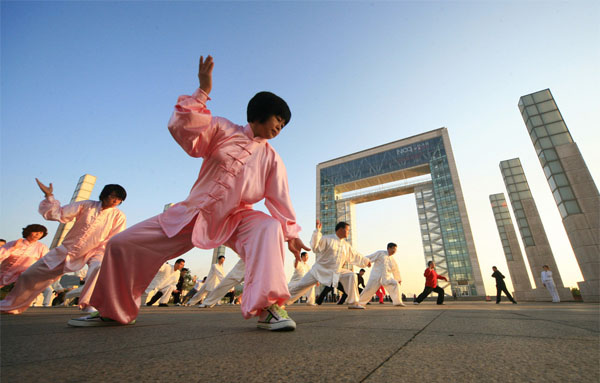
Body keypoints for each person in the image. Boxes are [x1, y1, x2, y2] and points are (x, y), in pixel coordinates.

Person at [70, 55, 309, 331]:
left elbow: (279, 198)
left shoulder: (273, 158)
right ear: (259, 113)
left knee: (268, 227)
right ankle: (113, 310)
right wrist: (203, 91)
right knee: (121, 244)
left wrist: (290, 235)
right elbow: (183, 129)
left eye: (284, 124)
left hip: (237, 219)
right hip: (192, 212)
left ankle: (268, 309)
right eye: (278, 119)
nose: (280, 127)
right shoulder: (222, 128)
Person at [0, 181, 126, 314]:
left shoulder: (119, 216)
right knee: (28, 275)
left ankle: (90, 304)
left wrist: (106, 254)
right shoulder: (86, 205)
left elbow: (114, 238)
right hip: (67, 249)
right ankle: (10, 305)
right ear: (105, 195)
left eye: (119, 199)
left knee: (98, 267)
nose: (115, 200)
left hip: (95, 250)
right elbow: (59, 213)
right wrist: (49, 196)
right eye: (113, 196)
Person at [288, 220, 371, 309]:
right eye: (347, 230)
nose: (348, 232)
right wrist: (317, 232)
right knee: (300, 286)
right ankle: (279, 302)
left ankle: (353, 302)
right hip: (319, 270)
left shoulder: (346, 245)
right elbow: (315, 247)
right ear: (340, 229)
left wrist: (366, 261)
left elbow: (355, 255)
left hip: (336, 271)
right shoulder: (327, 239)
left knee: (351, 276)